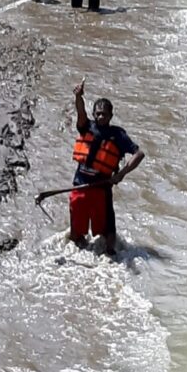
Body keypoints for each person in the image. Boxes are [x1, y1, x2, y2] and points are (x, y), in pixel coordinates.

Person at [70, 79, 145, 255]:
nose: (101, 117)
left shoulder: (118, 135)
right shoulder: (86, 127)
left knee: (107, 233)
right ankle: (79, 251)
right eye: (98, 114)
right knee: (76, 233)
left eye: (104, 114)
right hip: (80, 186)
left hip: (102, 190)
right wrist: (78, 96)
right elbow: (80, 111)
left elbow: (139, 154)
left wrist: (122, 174)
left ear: (111, 116)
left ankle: (110, 254)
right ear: (94, 115)